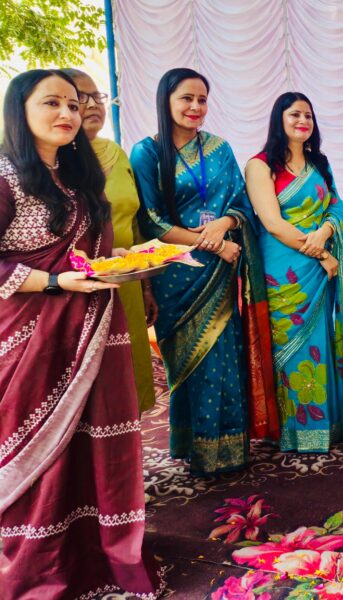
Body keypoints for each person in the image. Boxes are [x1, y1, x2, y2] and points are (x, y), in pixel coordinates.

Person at [0, 69, 162, 598]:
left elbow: (85, 255)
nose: (67, 113)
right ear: (20, 110)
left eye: (74, 104)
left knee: (93, 440)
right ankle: (38, 560)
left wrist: (125, 259)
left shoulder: (77, 177)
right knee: (40, 443)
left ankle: (97, 548)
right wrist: (52, 281)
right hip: (33, 335)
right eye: (52, 103)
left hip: (94, 324)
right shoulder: (4, 175)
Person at [131, 67, 274, 475]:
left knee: (223, 357)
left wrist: (224, 226)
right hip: (177, 272)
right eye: (186, 98)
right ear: (166, 101)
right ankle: (196, 448)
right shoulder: (146, 153)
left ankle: (228, 448)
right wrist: (212, 242)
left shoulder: (218, 148)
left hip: (219, 269)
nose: (195, 107)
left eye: (202, 100)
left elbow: (240, 204)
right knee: (188, 361)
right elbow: (152, 221)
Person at [245, 92, 343, 452]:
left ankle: (327, 424)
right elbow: (272, 222)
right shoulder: (260, 166)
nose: (302, 121)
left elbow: (336, 207)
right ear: (279, 120)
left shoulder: (319, 162)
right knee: (288, 345)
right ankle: (293, 431)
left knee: (320, 342)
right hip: (283, 269)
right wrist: (322, 254)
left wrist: (326, 232)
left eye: (308, 116)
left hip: (317, 267)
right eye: (294, 114)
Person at [61, 68, 158, 413]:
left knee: (128, 381)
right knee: (91, 393)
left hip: (125, 282)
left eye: (97, 96)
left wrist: (146, 286)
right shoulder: (55, 160)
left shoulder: (116, 153)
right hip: (77, 288)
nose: (92, 105)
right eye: (81, 98)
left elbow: (135, 220)